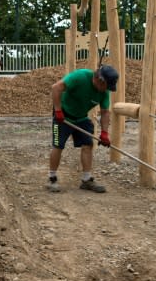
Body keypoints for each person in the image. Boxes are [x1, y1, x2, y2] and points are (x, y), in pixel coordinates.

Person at [48, 65, 119, 193]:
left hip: (81, 118)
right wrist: (58, 111)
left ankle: (86, 180)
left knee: (88, 145)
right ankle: (52, 178)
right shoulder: (80, 77)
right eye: (106, 87)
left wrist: (104, 133)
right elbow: (56, 88)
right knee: (58, 145)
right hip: (63, 117)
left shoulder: (104, 91)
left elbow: (105, 112)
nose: (107, 90)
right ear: (100, 80)